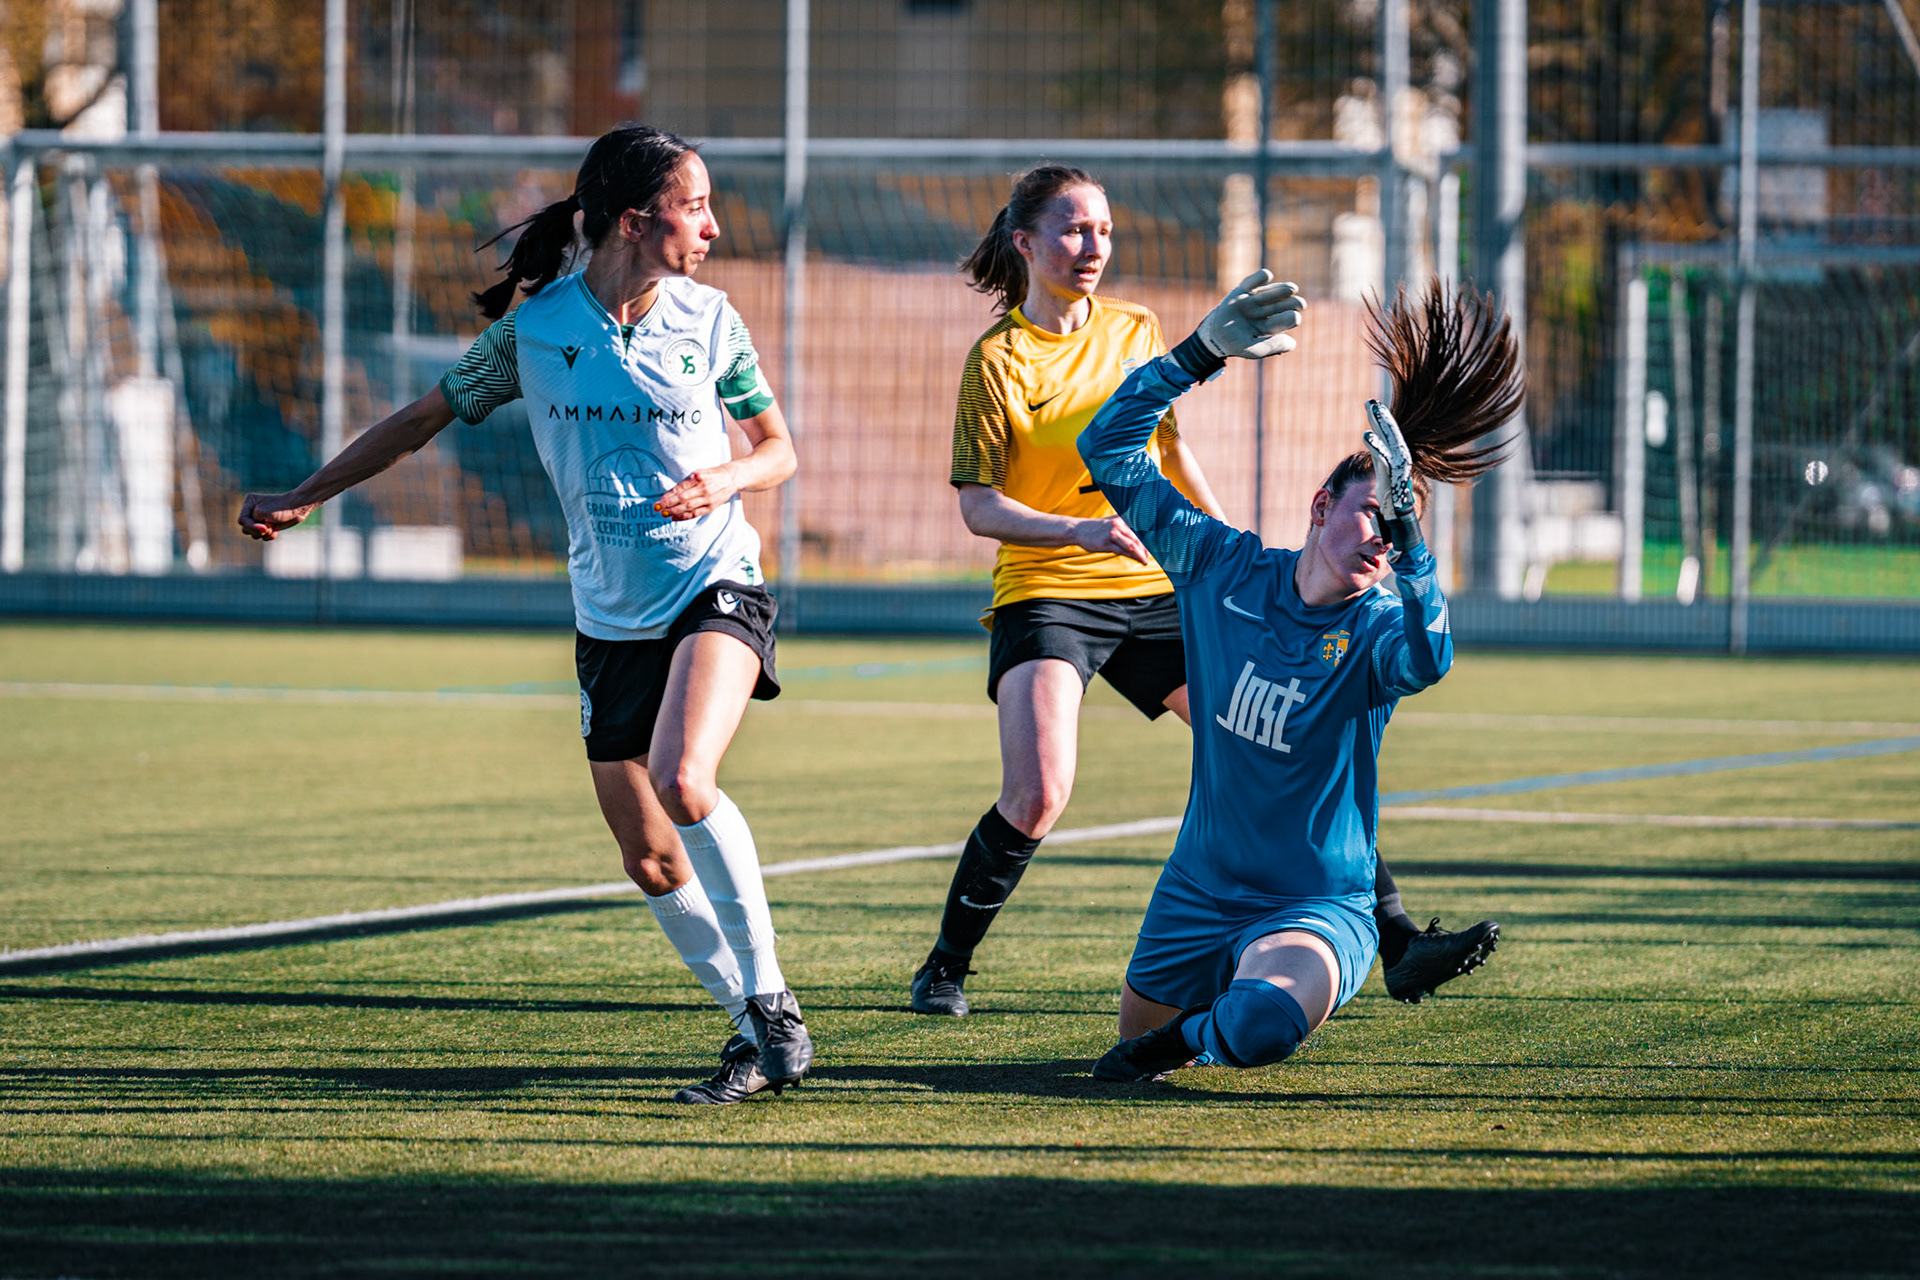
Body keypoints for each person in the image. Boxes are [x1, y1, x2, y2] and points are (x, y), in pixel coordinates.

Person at [238, 124, 811, 1106]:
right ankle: (748, 1023)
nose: (714, 225)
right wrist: (307, 493)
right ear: (636, 221)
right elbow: (419, 420)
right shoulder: (534, 334)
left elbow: (778, 449)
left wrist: (724, 475)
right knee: (647, 851)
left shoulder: (712, 320)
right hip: (608, 614)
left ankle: (774, 1009)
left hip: (717, 581)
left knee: (683, 773)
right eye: (697, 205)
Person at [910, 164, 1496, 1018]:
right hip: (1049, 593)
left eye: (1104, 230)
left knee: (1287, 736)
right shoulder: (996, 360)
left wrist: (1242, 563)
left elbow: (1168, 453)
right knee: (1038, 789)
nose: (1093, 246)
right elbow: (976, 505)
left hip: (1156, 589)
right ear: (1025, 242)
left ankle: (1396, 937)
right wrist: (1075, 529)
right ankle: (945, 967)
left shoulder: (1136, 328)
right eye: (1074, 230)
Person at [1081, 273, 1524, 1081]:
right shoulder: (1222, 567)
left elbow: (1431, 659)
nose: (1382, 540)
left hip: (1314, 908)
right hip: (1197, 890)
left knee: (1253, 1028)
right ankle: (1183, 1026)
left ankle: (1193, 1034)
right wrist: (1199, 353)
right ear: (1321, 505)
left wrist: (1414, 537)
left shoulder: (1380, 625)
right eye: (1371, 515)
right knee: (1124, 1051)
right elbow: (1106, 447)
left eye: (1395, 530)